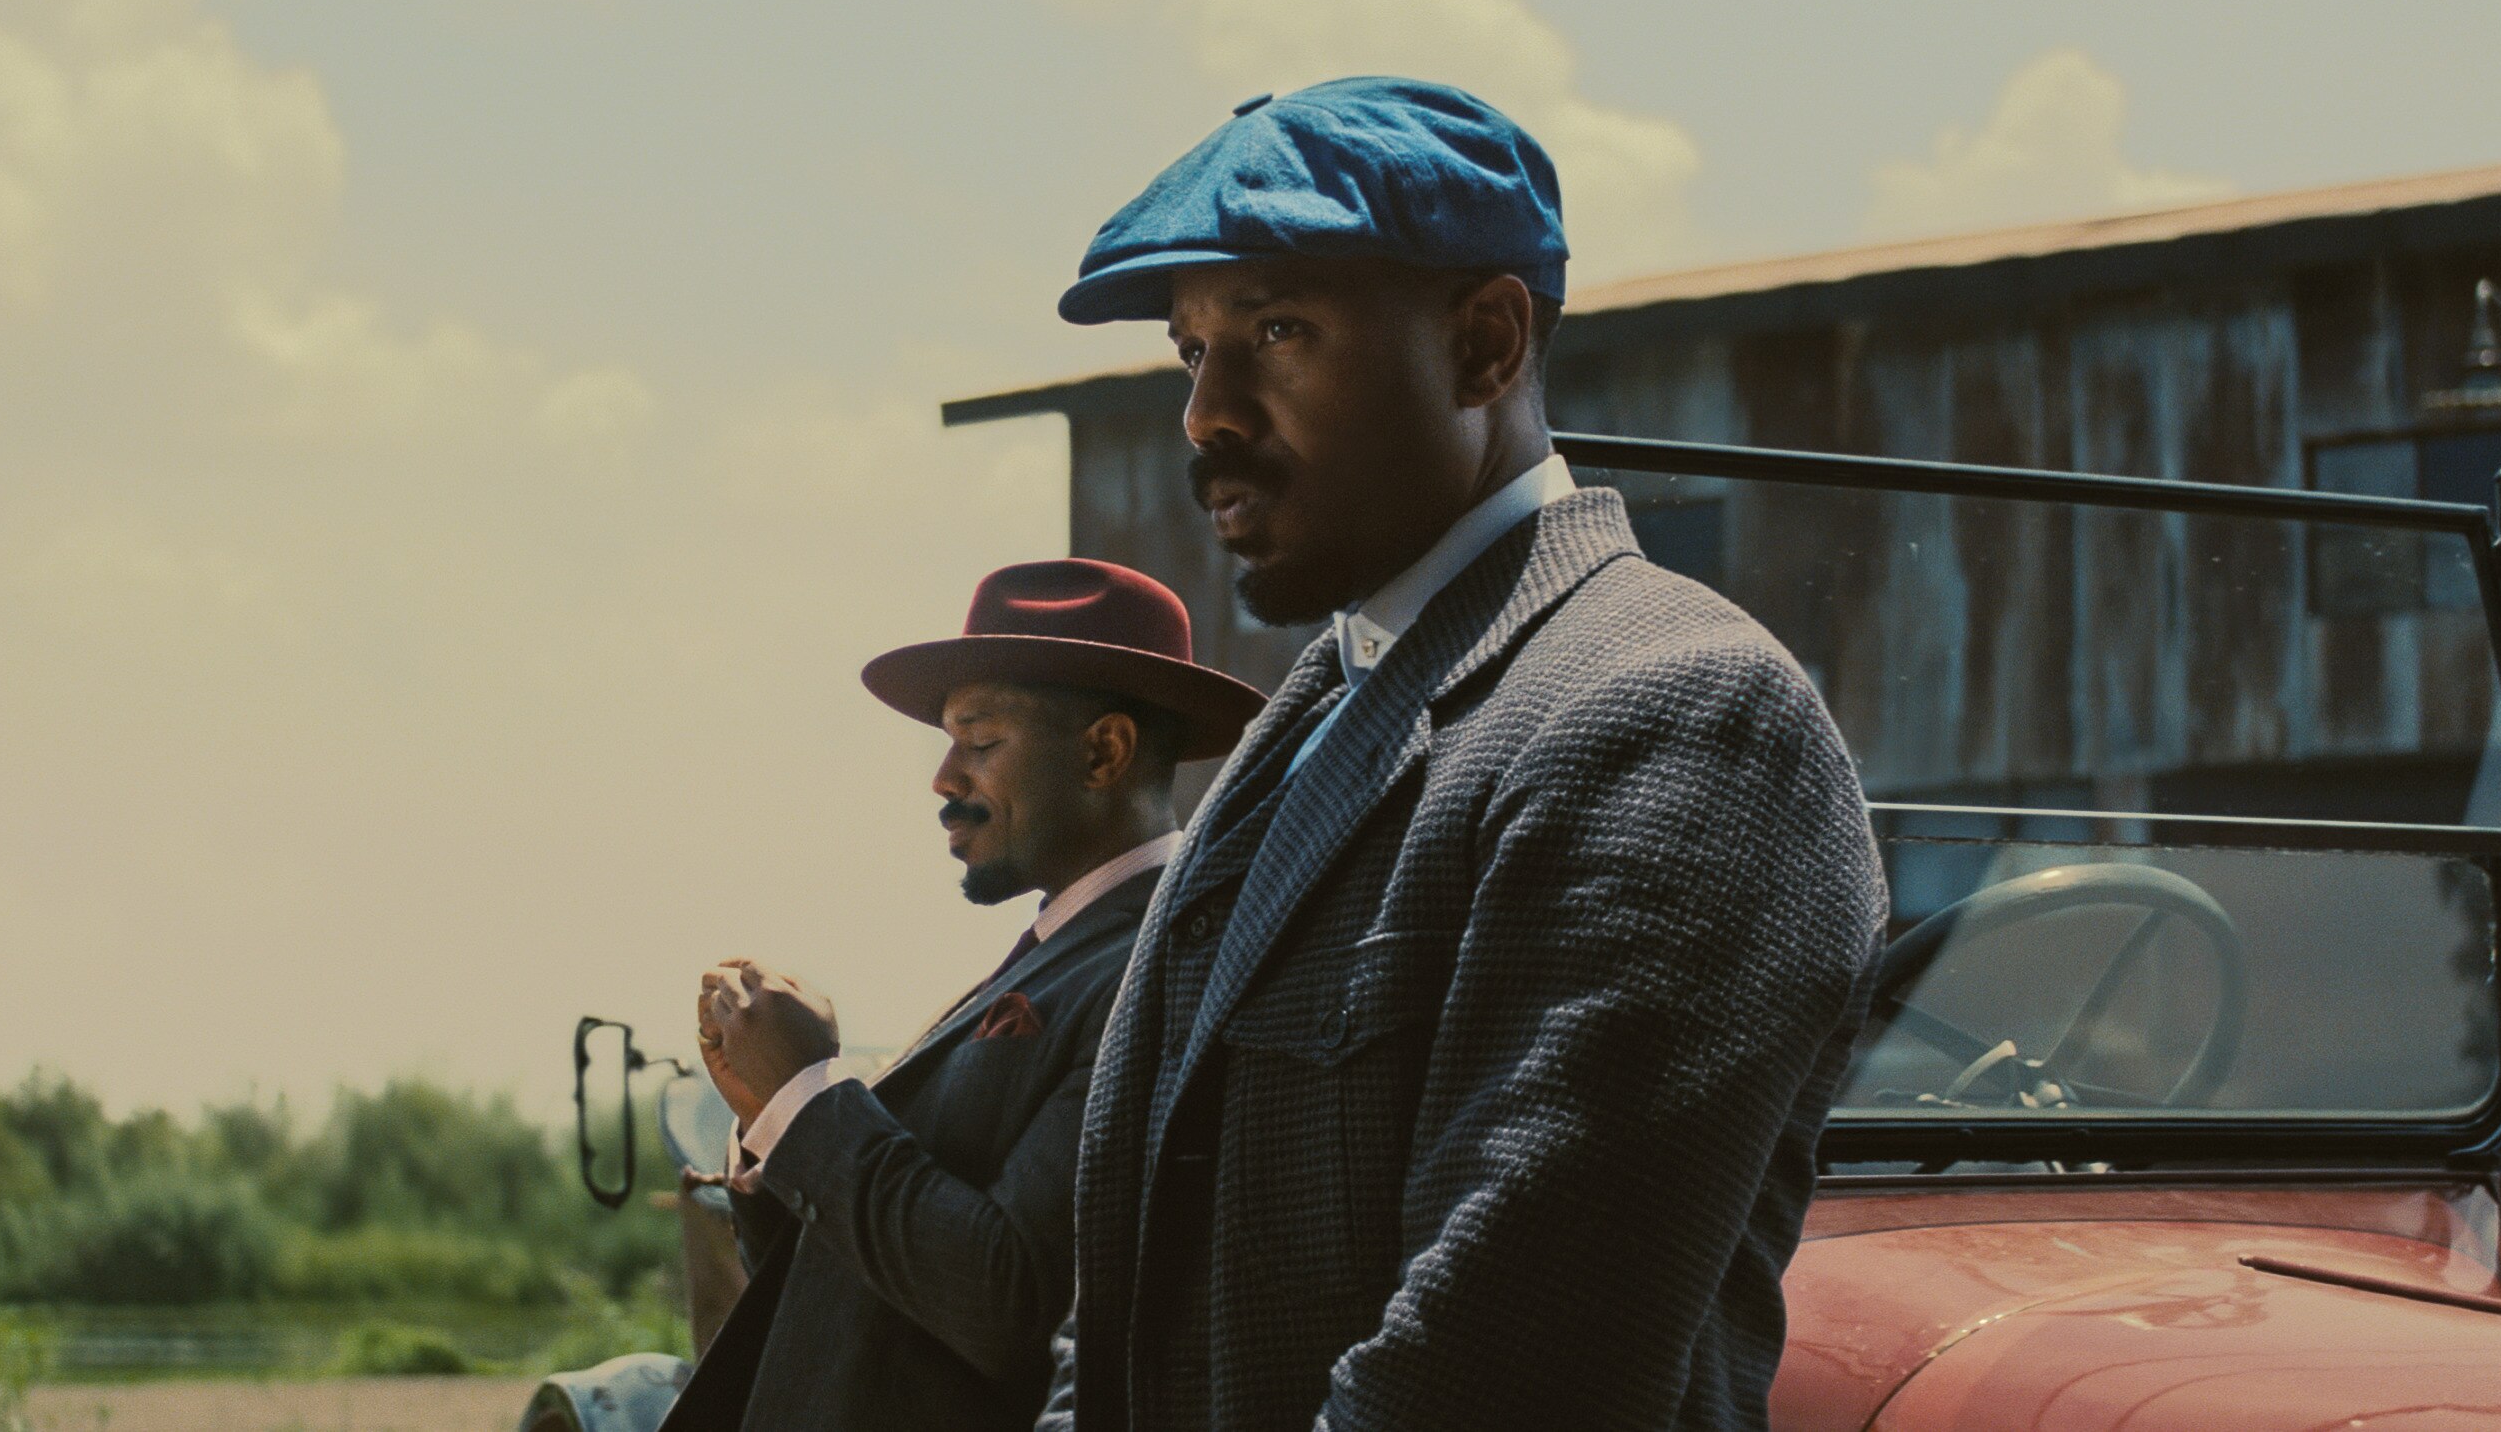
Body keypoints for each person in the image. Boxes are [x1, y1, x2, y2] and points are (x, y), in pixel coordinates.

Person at [1033, 78, 1887, 1431]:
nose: (1207, 414)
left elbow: (1494, 1380)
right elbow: (1129, 1293)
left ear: (1487, 344)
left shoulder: (1670, 712)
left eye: (1276, 328)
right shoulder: (1310, 721)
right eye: (1191, 352)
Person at [658, 559, 1264, 1432]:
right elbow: (879, 1278)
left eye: (979, 742)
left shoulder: (1158, 968)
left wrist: (808, 1101)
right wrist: (772, 1121)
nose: (944, 780)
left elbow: (1011, 1298)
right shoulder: (1057, 959)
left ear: (1105, 751)